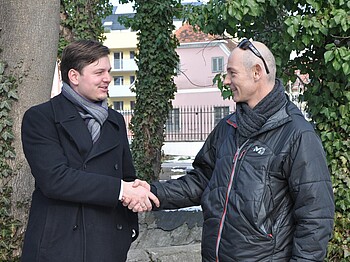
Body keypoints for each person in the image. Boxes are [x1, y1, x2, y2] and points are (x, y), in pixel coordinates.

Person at [127, 39, 335, 261]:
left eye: (232, 73)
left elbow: (316, 217)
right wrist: (153, 192)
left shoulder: (297, 135)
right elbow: (201, 182)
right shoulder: (228, 128)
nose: (225, 81)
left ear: (257, 72)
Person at [20, 39, 159, 262]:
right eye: (99, 72)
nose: (107, 79)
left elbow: (125, 174)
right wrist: (122, 190)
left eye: (109, 71)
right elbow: (55, 179)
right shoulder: (41, 118)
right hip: (59, 244)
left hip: (107, 241)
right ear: (74, 76)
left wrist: (133, 200)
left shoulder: (115, 121)